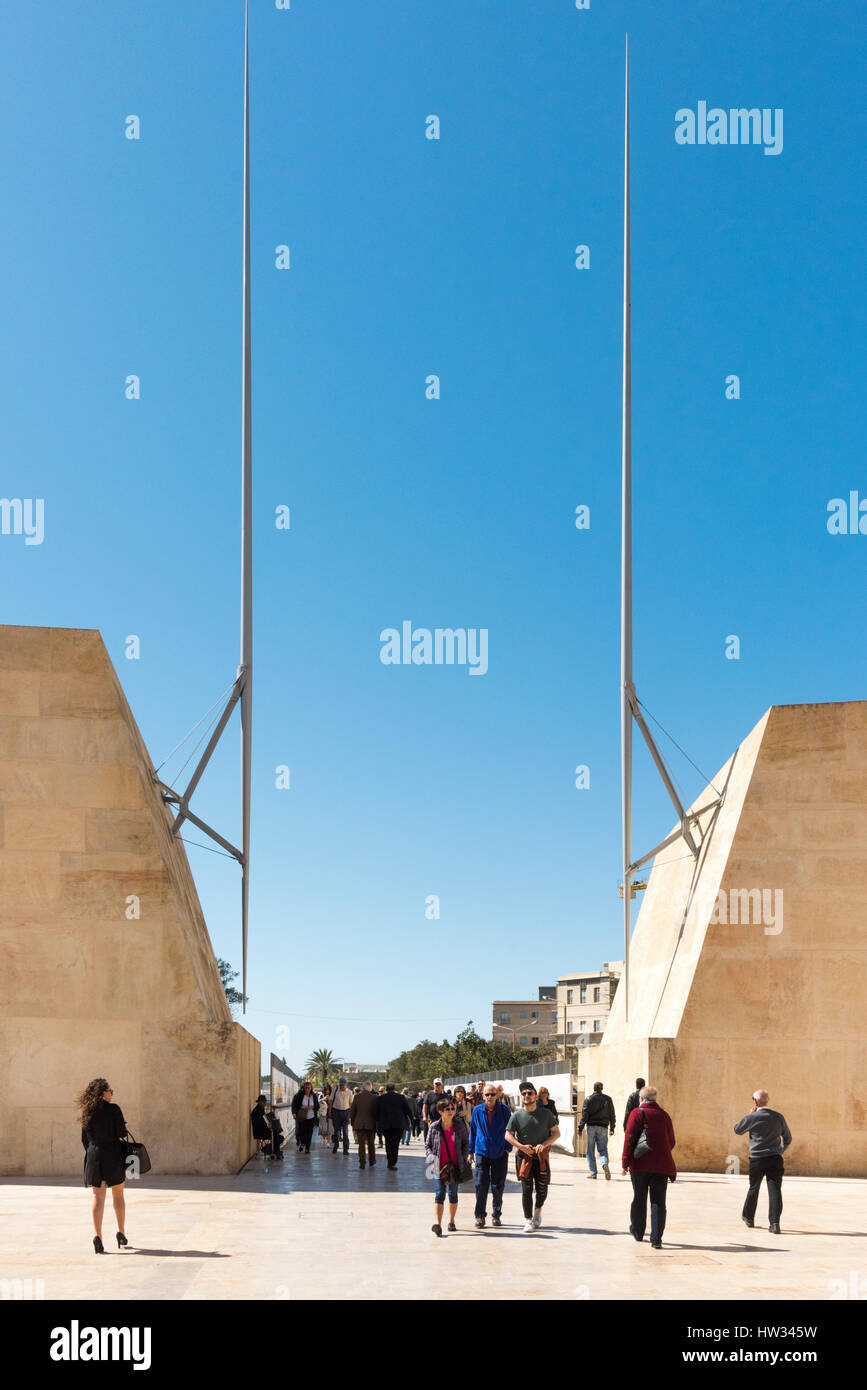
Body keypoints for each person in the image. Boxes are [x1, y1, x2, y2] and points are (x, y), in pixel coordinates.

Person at [79, 1078, 131, 1253]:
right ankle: (121, 1232)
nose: (112, 1093)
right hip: (113, 1155)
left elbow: (84, 1138)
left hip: (94, 1156)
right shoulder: (114, 1109)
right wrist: (123, 1126)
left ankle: (98, 1237)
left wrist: (93, 1151)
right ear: (103, 1093)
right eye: (110, 1090)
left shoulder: (88, 1111)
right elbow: (122, 1133)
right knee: (118, 1195)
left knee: (98, 1197)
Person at [622, 1085, 676, 1248]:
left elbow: (629, 1138)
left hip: (639, 1164)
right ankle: (656, 1239)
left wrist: (625, 1161)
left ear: (641, 1099)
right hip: (661, 1165)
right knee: (658, 1202)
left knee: (639, 1198)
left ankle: (638, 1232)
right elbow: (671, 1141)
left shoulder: (637, 1113)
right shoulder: (665, 1116)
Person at [733, 1089, 792, 1233]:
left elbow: (737, 1130)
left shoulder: (752, 1117)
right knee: (775, 1190)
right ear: (767, 1100)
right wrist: (779, 1151)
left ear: (755, 1101)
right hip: (775, 1158)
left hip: (757, 1159)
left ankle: (748, 1217)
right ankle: (775, 1223)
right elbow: (788, 1138)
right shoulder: (778, 1117)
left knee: (754, 1187)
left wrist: (750, 1115)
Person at [505, 1081, 560, 1233]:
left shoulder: (546, 1114)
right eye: (524, 1094)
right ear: (521, 1097)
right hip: (524, 1157)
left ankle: (538, 1209)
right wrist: (520, 1146)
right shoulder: (516, 1115)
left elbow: (556, 1133)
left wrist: (545, 1144)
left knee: (542, 1189)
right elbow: (508, 1135)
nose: (527, 1096)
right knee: (526, 1189)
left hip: (541, 1157)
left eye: (530, 1093)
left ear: (535, 1096)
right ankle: (528, 1220)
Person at [469, 1083, 511, 1228]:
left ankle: (496, 1214)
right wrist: (470, 1151)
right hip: (482, 1152)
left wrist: (508, 1148)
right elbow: (473, 1131)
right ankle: (480, 1216)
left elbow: (510, 1130)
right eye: (487, 1094)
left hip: (500, 1152)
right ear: (483, 1096)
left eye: (493, 1094)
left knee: (498, 1186)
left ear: (497, 1095)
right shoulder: (477, 1110)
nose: (490, 1097)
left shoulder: (504, 1110)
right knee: (481, 1185)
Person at [426, 1096, 469, 1236]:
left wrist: (463, 1157)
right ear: (440, 1111)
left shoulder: (459, 1126)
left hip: (455, 1167)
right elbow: (428, 1146)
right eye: (447, 1109)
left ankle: (451, 1220)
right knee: (439, 1194)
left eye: (452, 1108)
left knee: (453, 1194)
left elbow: (465, 1144)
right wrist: (431, 1157)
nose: (451, 1111)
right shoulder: (434, 1127)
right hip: (438, 1167)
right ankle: (438, 1225)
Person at [578, 1081, 616, 1180]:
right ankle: (604, 1164)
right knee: (603, 1149)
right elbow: (612, 1114)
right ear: (602, 1088)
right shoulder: (608, 1099)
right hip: (603, 1127)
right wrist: (612, 1128)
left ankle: (593, 1173)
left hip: (591, 1127)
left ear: (594, 1088)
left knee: (590, 1151)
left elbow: (584, 1115)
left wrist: (580, 1128)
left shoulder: (588, 1099)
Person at [376, 1084, 414, 1169]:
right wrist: (411, 1120)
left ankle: (390, 1161)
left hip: (386, 1125)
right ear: (394, 1089)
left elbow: (376, 1112)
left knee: (388, 1143)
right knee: (395, 1144)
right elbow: (408, 1110)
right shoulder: (400, 1097)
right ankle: (393, 1162)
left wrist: (378, 1122)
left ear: (386, 1089)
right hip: (398, 1124)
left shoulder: (381, 1098)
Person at [350, 1080, 379, 1169]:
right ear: (370, 1088)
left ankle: (362, 1162)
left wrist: (353, 1123)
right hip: (371, 1124)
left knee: (361, 1145)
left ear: (363, 1087)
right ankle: (372, 1161)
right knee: (371, 1144)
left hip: (359, 1124)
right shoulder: (374, 1098)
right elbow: (376, 1112)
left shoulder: (357, 1097)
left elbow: (352, 1111)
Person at [293, 1081, 318, 1153]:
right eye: (306, 1088)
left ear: (311, 1088)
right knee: (302, 1132)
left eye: (309, 1088)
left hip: (311, 1117)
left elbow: (317, 1106)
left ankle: (307, 1148)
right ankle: (302, 1143)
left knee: (309, 1133)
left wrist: (312, 1107)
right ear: (304, 1088)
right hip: (302, 1117)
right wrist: (301, 1108)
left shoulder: (314, 1096)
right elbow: (295, 1104)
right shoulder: (300, 1095)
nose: (307, 1089)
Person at [331, 1078, 352, 1155]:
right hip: (336, 1112)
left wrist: (350, 1114)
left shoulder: (350, 1092)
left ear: (346, 1085)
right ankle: (335, 1147)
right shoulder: (335, 1090)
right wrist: (330, 1112)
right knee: (336, 1132)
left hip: (346, 1113)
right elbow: (330, 1100)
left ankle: (345, 1149)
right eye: (341, 1085)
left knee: (345, 1132)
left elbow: (351, 1103)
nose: (342, 1087)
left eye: (343, 1085)